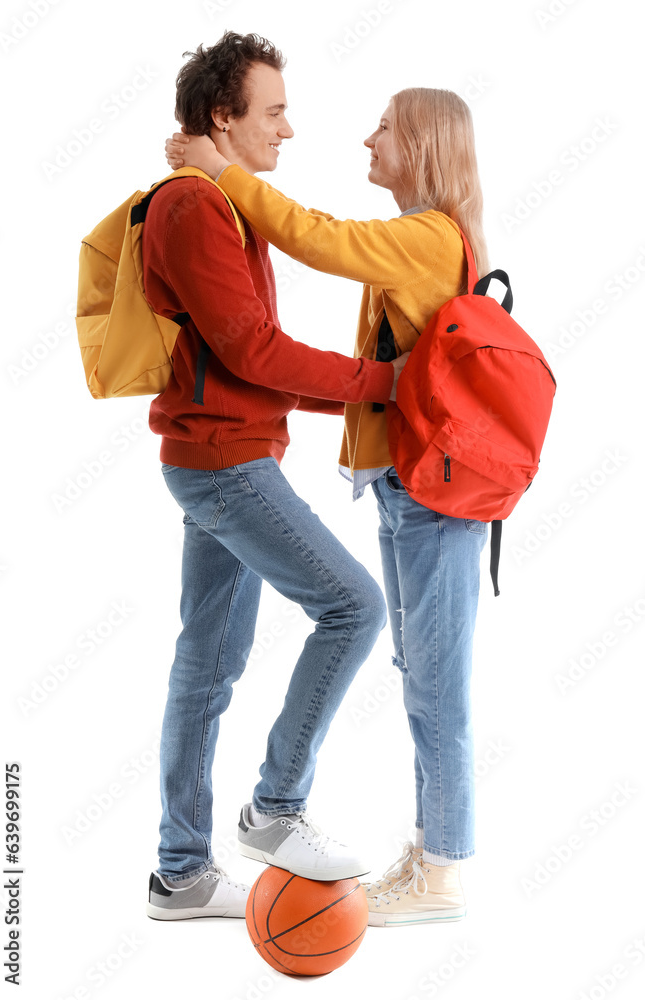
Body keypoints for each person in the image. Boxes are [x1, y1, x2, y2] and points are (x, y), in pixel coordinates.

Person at [165, 83, 491, 926]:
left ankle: (441, 871)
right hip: (402, 486)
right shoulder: (418, 240)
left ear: (420, 145)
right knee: (414, 671)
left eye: (383, 127)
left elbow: (318, 240)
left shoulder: (425, 237)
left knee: (425, 674)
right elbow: (277, 356)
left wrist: (225, 173)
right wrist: (379, 398)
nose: (365, 138)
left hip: (430, 492)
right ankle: (422, 856)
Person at [144, 31, 409, 922]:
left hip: (217, 456)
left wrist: (368, 403)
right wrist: (382, 386)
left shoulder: (220, 201)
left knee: (205, 670)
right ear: (225, 116)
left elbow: (249, 362)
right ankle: (276, 809)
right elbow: (253, 349)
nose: (288, 130)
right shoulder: (194, 208)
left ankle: (179, 875)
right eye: (274, 111)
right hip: (225, 467)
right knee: (354, 606)